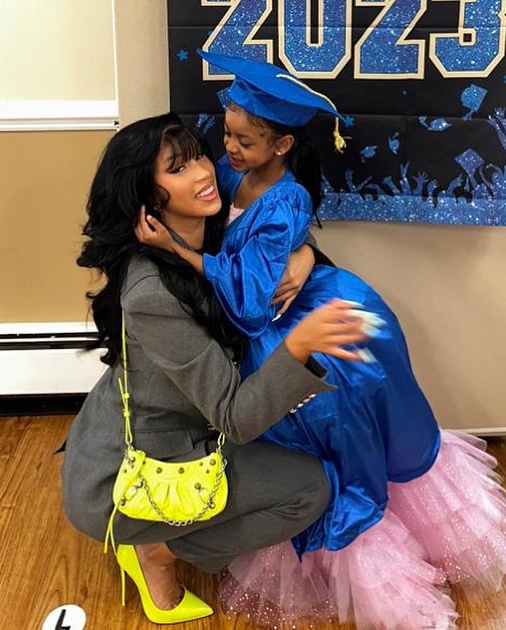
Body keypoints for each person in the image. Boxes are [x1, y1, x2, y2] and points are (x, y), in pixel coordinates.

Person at [137, 51, 506, 628]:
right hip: (283, 309)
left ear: (282, 145)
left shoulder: (286, 201)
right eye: (227, 135)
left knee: (343, 409)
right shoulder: (233, 174)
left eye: (243, 141)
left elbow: (251, 300)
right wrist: (299, 253)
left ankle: (362, 516)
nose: (227, 149)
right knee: (314, 421)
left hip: (294, 313)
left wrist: (180, 251)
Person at [62, 112, 371, 625]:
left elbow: (267, 242)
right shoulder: (151, 292)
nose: (205, 172)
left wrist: (304, 256)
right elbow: (234, 415)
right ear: (147, 198)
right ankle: (157, 552)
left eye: (199, 156)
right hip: (134, 475)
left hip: (191, 425)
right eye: (178, 169)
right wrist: (300, 346)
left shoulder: (208, 230)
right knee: (309, 489)